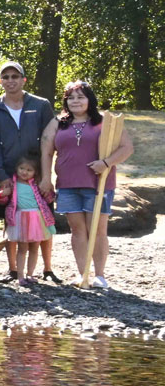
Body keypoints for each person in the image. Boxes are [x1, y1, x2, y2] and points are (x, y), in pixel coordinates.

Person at [40, 80, 134, 288]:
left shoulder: (105, 123)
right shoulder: (58, 123)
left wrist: (106, 163)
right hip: (67, 184)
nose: (75, 101)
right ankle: (82, 274)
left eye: (80, 97)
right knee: (77, 230)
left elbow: (126, 148)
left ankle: (99, 275)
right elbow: (46, 151)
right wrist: (46, 179)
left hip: (98, 184)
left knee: (97, 230)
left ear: (89, 99)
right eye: (71, 98)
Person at [0, 61, 56, 280]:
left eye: (15, 76)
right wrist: (2, 177)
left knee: (44, 220)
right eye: (5, 77)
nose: (10, 80)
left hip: (37, 173)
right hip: (9, 174)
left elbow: (49, 141)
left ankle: (47, 268)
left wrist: (46, 176)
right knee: (11, 221)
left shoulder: (41, 104)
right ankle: (13, 269)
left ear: (23, 79)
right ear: (0, 81)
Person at [1, 155, 55, 287]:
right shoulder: (13, 184)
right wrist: (2, 194)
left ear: (35, 172)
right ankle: (20, 275)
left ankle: (30, 274)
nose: (24, 172)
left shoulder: (37, 185)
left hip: (36, 219)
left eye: (29, 170)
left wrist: (50, 192)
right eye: (21, 168)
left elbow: (48, 199)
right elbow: (2, 200)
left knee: (35, 247)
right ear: (16, 168)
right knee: (22, 248)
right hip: (21, 218)